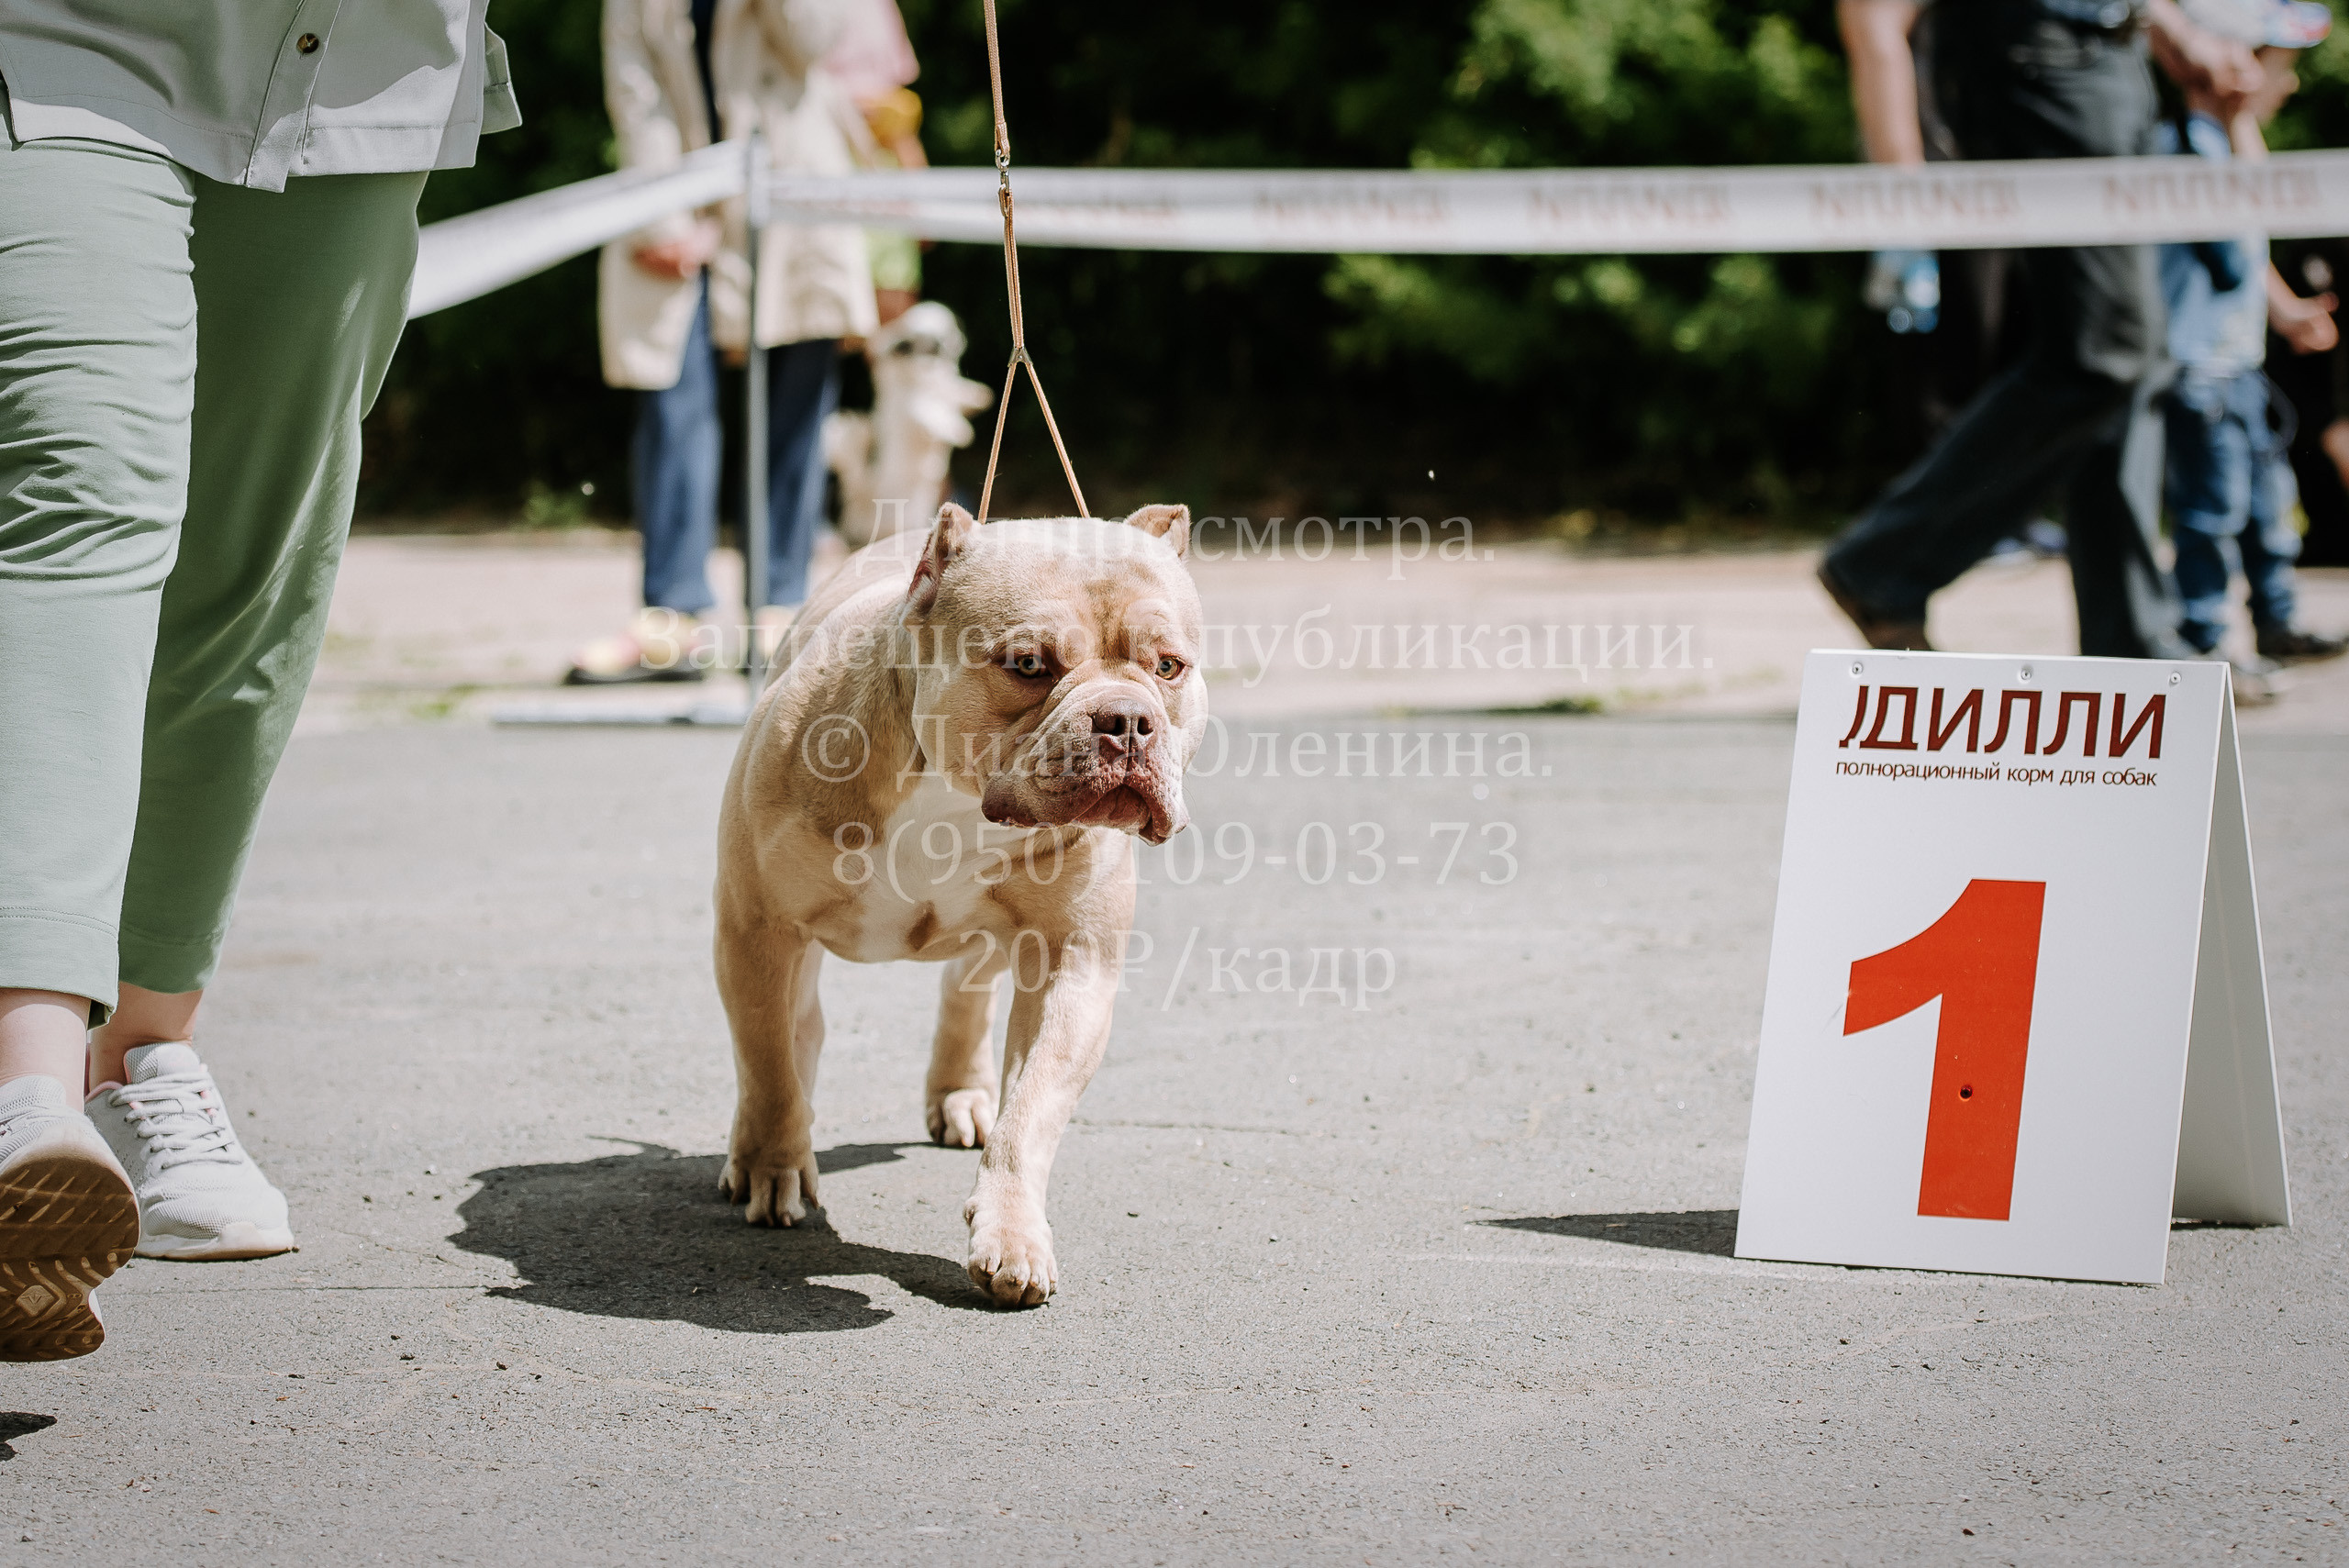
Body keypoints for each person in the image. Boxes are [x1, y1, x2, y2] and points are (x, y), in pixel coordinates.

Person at [0, 6, 519, 1361]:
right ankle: (28, 1092)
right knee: (83, 492)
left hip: (357, 56)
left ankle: (146, 1054)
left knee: (256, 555)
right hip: (66, 32)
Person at [1822, 0, 2264, 657]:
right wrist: (1900, 189)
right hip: (2045, 58)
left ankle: (2131, 642)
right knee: (2108, 349)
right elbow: (1871, 15)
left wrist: (2172, 28)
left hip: (2113, 55)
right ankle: (1886, 560)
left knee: (2127, 355)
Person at [570, 0, 878, 685]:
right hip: (679, 198)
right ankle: (672, 617)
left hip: (795, 196)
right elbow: (636, 96)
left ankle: (781, 605)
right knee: (673, 399)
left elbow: (815, 39)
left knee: (797, 403)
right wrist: (669, 218)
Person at [2155, 0, 2348, 675]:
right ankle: (2204, 638)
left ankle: (2277, 618)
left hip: (2238, 361)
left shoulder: (2224, 147)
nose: (2289, 84)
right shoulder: (2187, 149)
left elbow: (2250, 240)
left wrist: (2288, 310)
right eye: (2278, 67)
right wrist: (2237, 126)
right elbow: (2232, 250)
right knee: (2212, 511)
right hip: (2199, 366)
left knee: (2270, 505)